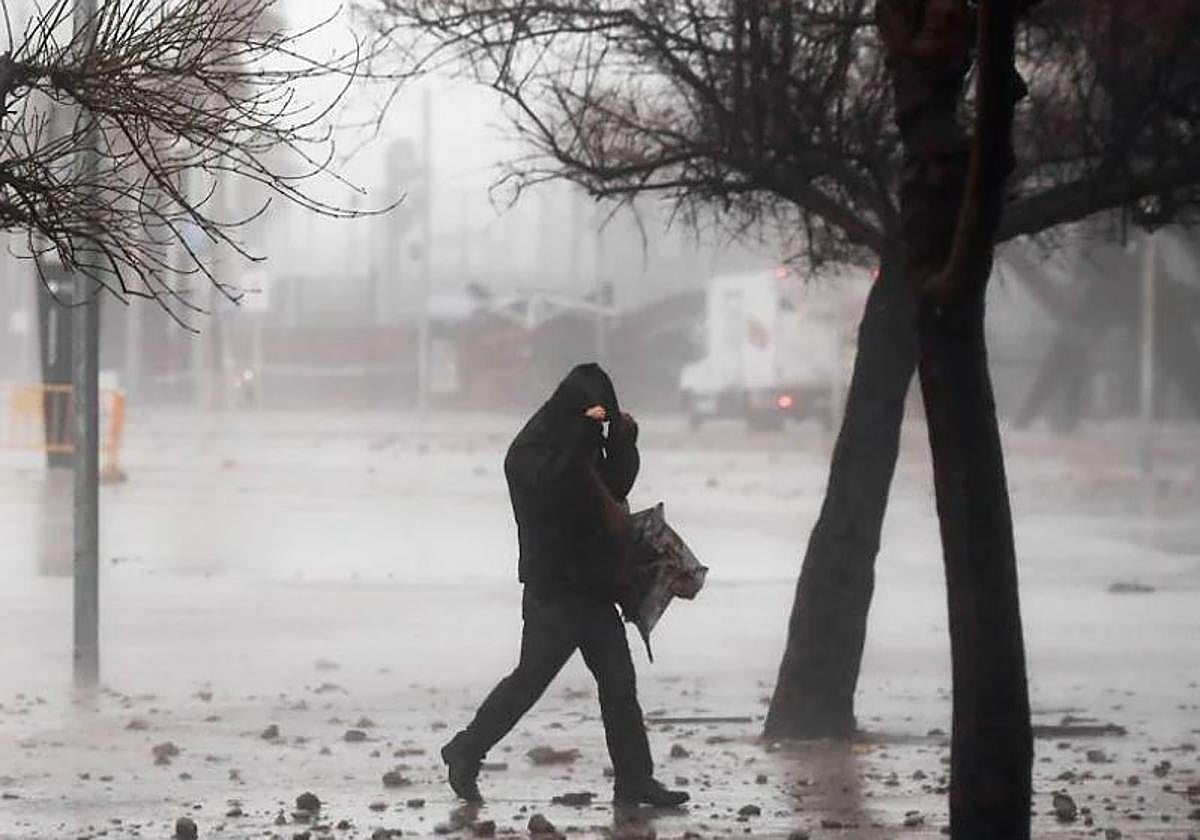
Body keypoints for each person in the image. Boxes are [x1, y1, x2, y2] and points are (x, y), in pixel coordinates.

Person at [440, 363, 689, 808]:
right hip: (553, 590)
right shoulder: (530, 450)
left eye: (602, 416)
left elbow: (615, 487)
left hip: (594, 586)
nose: (595, 425)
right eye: (591, 415)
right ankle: (467, 749)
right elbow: (552, 492)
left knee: (619, 684)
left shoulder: (584, 443)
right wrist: (582, 445)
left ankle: (635, 780)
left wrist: (623, 443)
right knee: (529, 682)